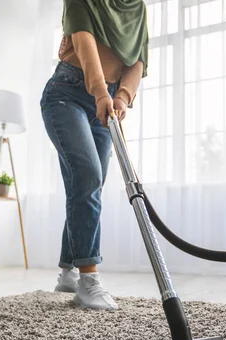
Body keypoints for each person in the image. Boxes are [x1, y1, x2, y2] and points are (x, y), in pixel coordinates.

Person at [40, 0, 148, 310]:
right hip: (66, 94)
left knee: (87, 186)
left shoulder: (137, 7)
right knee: (88, 176)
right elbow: (83, 41)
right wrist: (101, 93)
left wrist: (122, 97)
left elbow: (138, 59)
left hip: (108, 101)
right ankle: (88, 281)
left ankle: (67, 271)